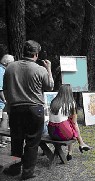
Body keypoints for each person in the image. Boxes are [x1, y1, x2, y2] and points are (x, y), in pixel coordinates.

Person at [3, 40, 54, 180]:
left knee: (16, 141)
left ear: (23, 52)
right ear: (36, 54)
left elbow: (6, 89)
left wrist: (11, 102)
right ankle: (27, 172)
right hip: (34, 110)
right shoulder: (40, 69)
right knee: (32, 142)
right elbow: (50, 86)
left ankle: (14, 169)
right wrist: (49, 68)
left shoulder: (10, 68)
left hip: (15, 109)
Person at [48, 84, 91, 161]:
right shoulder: (71, 103)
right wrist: (79, 137)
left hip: (52, 132)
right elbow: (74, 123)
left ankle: (71, 151)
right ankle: (80, 144)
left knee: (68, 122)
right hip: (63, 133)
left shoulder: (53, 102)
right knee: (71, 123)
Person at [0, 54, 14, 148]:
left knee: (3, 119)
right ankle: (3, 139)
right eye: (11, 63)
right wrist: (5, 100)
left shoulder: (3, 70)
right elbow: (0, 89)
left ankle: (4, 137)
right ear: (7, 63)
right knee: (4, 119)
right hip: (1, 101)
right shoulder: (1, 71)